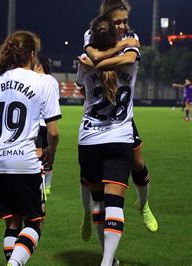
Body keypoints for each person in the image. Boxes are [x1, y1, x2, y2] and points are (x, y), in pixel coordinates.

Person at [0, 31, 61, 266]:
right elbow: (52, 131)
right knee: (34, 223)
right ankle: (14, 264)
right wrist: (51, 151)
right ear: (32, 54)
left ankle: (12, 261)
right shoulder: (43, 82)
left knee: (12, 223)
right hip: (24, 160)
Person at [79, 0, 158, 239]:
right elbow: (92, 52)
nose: (123, 26)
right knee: (91, 173)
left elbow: (128, 59)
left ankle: (143, 204)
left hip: (121, 117)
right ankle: (87, 213)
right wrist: (119, 47)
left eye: (125, 21)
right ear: (106, 20)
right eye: (118, 22)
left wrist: (99, 61)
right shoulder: (91, 33)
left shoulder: (132, 36)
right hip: (97, 117)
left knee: (138, 162)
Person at [77, 15, 140, 265]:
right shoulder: (129, 60)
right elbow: (131, 53)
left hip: (89, 139)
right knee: (115, 203)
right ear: (115, 37)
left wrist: (95, 61)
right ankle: (107, 262)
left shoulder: (85, 62)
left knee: (98, 201)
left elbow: (82, 80)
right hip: (119, 137)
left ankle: (109, 261)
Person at [34, 55, 60, 196]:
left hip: (37, 123)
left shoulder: (35, 79)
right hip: (49, 123)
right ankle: (48, 185)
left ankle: (40, 188)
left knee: (38, 158)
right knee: (49, 155)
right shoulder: (54, 82)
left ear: (38, 66)